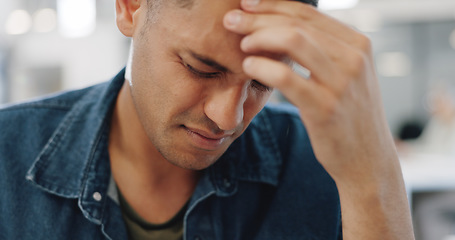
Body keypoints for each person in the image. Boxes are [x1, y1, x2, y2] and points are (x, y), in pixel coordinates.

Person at [0, 0, 414, 239]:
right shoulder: (7, 154)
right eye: (202, 68)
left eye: (261, 82)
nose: (228, 117)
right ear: (130, 7)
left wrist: (370, 178)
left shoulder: (322, 168)